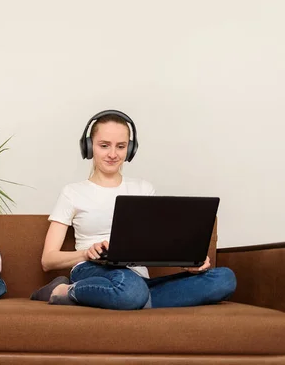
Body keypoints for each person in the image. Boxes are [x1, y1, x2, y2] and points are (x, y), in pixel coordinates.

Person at [31, 110, 236, 310]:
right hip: (93, 270)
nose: (113, 154)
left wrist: (187, 263)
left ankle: (133, 300)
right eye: (104, 145)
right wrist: (87, 253)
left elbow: (157, 244)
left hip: (135, 278)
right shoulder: (72, 192)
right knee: (129, 287)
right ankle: (63, 291)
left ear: (130, 149)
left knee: (224, 279)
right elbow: (48, 260)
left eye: (120, 146)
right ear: (88, 146)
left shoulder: (144, 189)